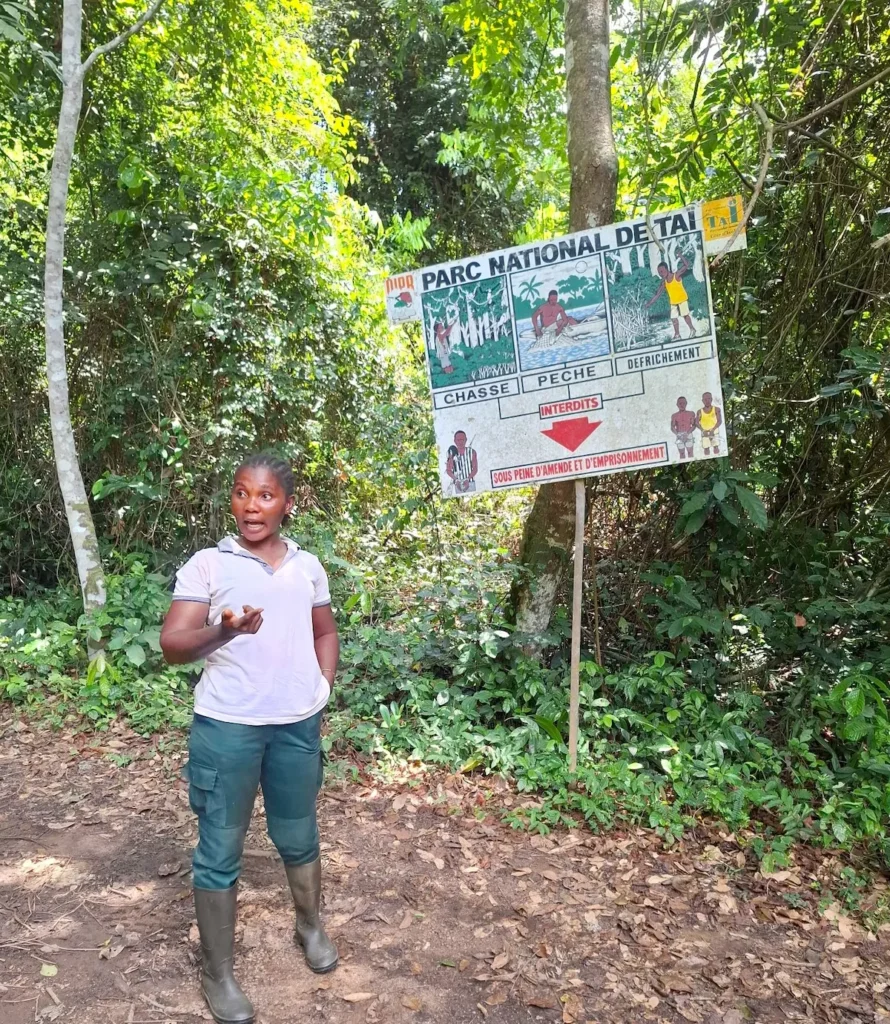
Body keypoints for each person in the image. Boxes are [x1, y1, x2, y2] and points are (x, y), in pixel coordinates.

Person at [160, 453, 340, 1024]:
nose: (251, 506)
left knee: (297, 833)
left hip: (295, 726)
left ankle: (309, 927)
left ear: (287, 503)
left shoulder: (308, 566)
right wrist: (224, 630)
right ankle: (219, 974)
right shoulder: (209, 565)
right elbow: (172, 645)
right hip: (227, 729)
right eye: (241, 494)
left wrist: (321, 688)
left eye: (264, 496)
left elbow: (325, 630)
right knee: (220, 850)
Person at [645, 257, 696, 339]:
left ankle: (692, 329)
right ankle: (677, 335)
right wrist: (649, 303)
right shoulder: (664, 283)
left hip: (682, 299)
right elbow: (657, 295)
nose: (661, 273)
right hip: (673, 302)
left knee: (685, 315)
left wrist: (680, 255)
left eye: (662, 271)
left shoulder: (676, 275)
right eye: (659, 272)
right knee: (673, 318)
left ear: (666, 269)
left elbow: (686, 265)